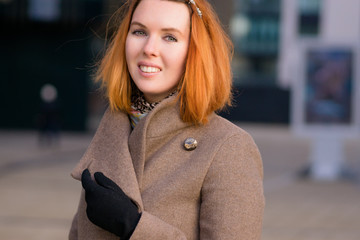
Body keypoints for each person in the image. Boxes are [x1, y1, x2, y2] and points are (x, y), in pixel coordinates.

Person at [69, 0, 265, 239]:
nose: (149, 48)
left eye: (170, 37)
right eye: (139, 31)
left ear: (196, 51)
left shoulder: (229, 147)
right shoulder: (111, 134)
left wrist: (134, 226)